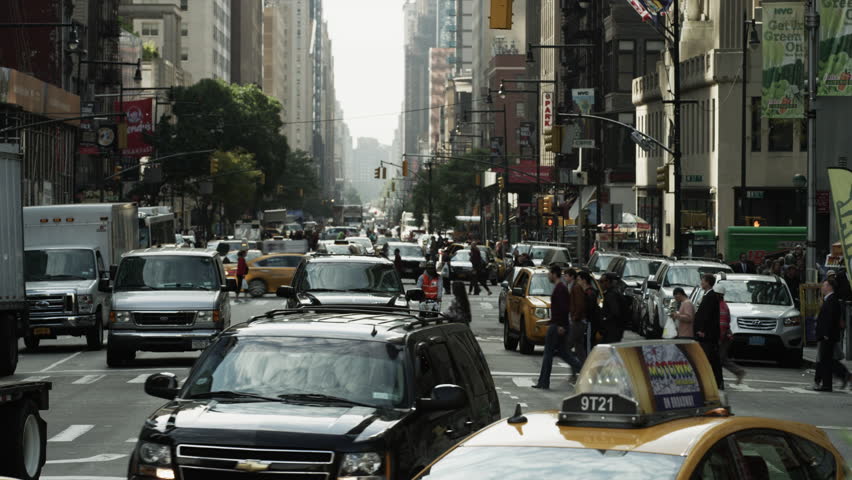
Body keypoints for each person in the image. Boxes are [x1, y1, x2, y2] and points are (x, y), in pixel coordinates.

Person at [533, 265, 583, 390]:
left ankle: (543, 382)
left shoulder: (560, 288)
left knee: (548, 353)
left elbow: (563, 308)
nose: (548, 276)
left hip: (557, 326)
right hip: (558, 324)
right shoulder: (560, 287)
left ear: (554, 274)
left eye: (549, 273)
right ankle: (585, 371)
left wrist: (560, 325)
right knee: (564, 353)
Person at [813, 279, 851, 391]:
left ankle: (826, 384)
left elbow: (830, 320)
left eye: (824, 285)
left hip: (827, 336)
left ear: (829, 287)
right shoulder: (829, 300)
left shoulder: (832, 300)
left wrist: (825, 334)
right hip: (826, 336)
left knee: (826, 360)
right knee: (827, 360)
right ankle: (825, 382)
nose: (822, 287)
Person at [694, 274, 723, 389]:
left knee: (710, 358)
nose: (701, 283)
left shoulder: (711, 296)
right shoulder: (707, 295)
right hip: (705, 334)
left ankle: (715, 381)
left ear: (707, 282)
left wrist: (703, 330)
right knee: (711, 358)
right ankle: (715, 381)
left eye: (703, 281)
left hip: (708, 335)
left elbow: (708, 316)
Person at [716, 285, 746, 385]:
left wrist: (719, 339)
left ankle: (738, 372)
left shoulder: (721, 306)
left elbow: (723, 324)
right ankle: (738, 372)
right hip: (725, 336)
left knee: (719, 359)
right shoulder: (722, 305)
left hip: (723, 337)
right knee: (722, 359)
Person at [563, 268, 588, 363]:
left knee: (567, 346)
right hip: (578, 321)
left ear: (572, 276)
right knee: (579, 347)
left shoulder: (576, 287)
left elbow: (580, 304)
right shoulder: (571, 286)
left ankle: (576, 368)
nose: (565, 278)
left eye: (566, 275)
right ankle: (583, 367)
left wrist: (575, 317)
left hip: (578, 322)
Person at [577, 271, 601, 352]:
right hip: (586, 323)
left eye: (579, 280)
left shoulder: (590, 293)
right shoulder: (586, 292)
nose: (578, 282)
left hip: (589, 323)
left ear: (584, 280)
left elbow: (589, 310)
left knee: (588, 345)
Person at [598, 273, 624, 343]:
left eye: (601, 281)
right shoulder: (613, 293)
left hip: (611, 330)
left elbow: (615, 312)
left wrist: (605, 319)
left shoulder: (611, 295)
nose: (600, 284)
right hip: (613, 329)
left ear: (608, 282)